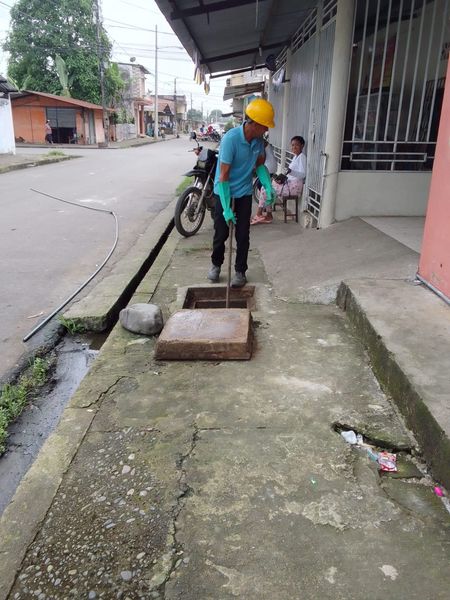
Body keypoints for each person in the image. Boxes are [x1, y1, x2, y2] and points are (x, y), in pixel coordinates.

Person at [207, 98, 275, 288]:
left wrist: (268, 186)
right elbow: (224, 175)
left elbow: (260, 166)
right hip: (224, 191)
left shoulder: (259, 142)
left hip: (244, 193)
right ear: (255, 123)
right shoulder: (231, 139)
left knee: (243, 235)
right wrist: (226, 208)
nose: (266, 129)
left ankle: (240, 271)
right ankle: (216, 264)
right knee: (221, 233)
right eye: (265, 126)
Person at [251, 135, 306, 224]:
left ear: (302, 145)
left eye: (297, 145)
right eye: (292, 145)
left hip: (294, 187)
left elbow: (303, 174)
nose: (294, 147)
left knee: (266, 190)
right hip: (289, 184)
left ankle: (260, 214)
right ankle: (267, 215)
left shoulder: (302, 157)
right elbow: (291, 173)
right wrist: (282, 178)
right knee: (268, 187)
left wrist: (291, 172)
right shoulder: (296, 157)